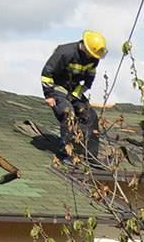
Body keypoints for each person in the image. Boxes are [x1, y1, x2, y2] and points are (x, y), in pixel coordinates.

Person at [40, 30, 108, 163]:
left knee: (90, 116)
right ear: (85, 48)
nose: (92, 58)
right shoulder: (65, 52)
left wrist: (77, 94)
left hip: (74, 89)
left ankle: (90, 156)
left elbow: (88, 80)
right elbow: (47, 73)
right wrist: (49, 95)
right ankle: (66, 153)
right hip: (57, 87)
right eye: (91, 54)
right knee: (68, 113)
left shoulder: (94, 58)